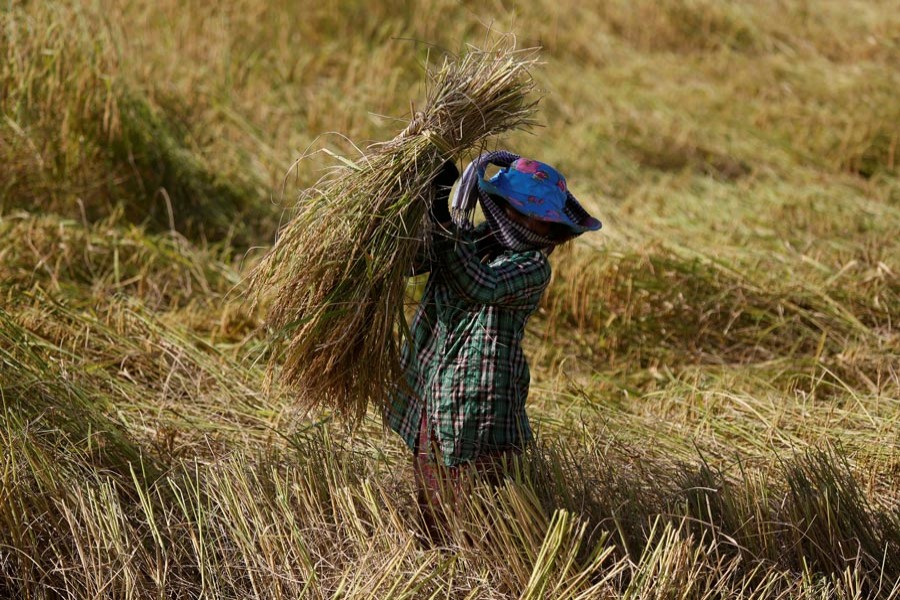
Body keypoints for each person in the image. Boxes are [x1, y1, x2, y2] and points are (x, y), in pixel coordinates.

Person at [386, 150, 602, 537]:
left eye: (530, 214)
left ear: (551, 229)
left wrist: (445, 222)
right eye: (513, 209)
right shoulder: (475, 238)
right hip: (436, 392)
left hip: (480, 401)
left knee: (477, 502)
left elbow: (479, 283)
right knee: (432, 493)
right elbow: (416, 260)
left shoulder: (533, 267)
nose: (518, 220)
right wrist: (426, 202)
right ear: (498, 205)